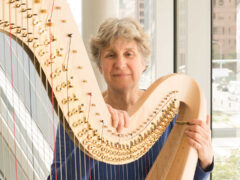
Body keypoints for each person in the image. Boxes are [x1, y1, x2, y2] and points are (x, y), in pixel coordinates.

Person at [48, 17, 213, 180]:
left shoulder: (172, 112)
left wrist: (205, 161)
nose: (120, 63)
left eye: (129, 54)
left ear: (143, 64)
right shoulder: (79, 117)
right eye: (111, 55)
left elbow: (187, 175)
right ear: (99, 66)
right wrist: (96, 136)